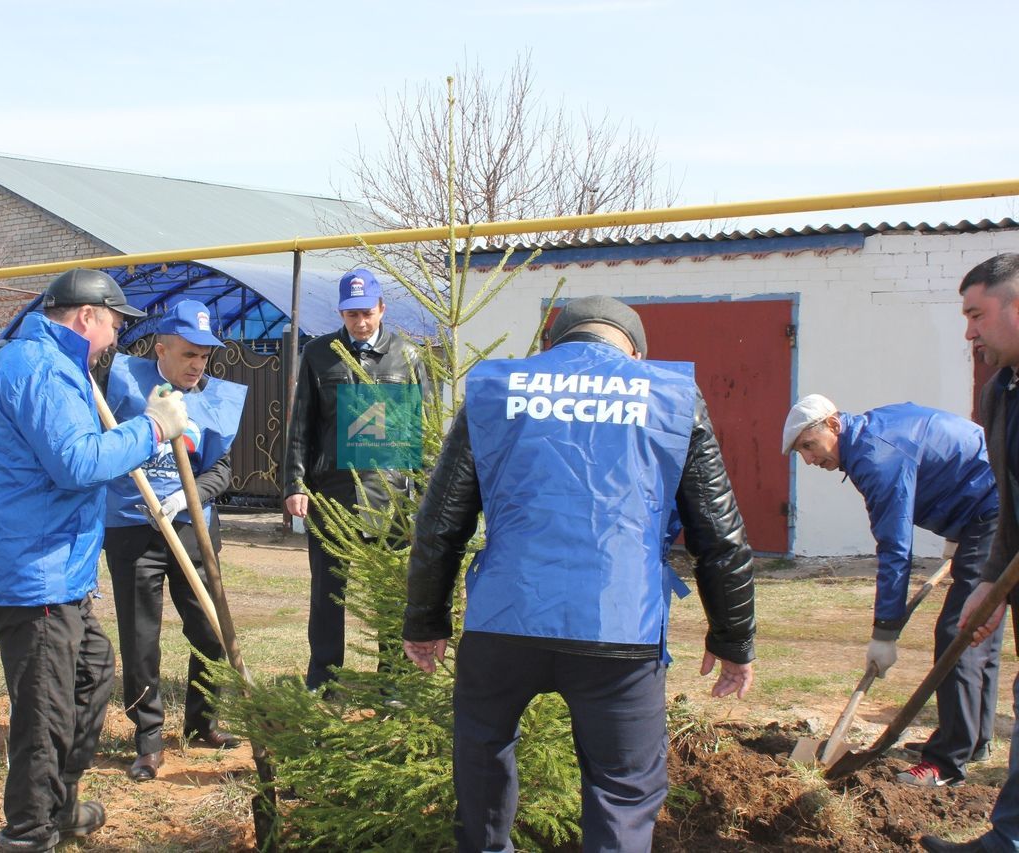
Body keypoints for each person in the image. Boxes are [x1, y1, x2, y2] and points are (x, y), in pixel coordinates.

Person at [403, 295, 755, 852]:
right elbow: (719, 534)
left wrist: (425, 620)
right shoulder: (670, 396)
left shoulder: (497, 390)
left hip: (503, 620)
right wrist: (733, 638)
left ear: (550, 346)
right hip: (620, 626)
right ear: (636, 353)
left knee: (483, 755)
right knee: (623, 791)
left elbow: (441, 522)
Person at [0, 268, 187, 852]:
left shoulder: (29, 359)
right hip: (34, 572)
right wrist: (154, 428)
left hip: (45, 563)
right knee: (46, 711)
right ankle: (28, 834)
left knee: (91, 670)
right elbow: (77, 463)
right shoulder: (41, 369)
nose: (115, 339)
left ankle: (59, 805)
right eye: (113, 325)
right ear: (86, 317)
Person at [783, 394, 1000, 788]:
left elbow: (895, 548)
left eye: (809, 446)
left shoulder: (874, 457)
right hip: (984, 506)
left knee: (960, 630)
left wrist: (884, 632)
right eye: (802, 453)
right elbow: (930, 439)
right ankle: (974, 741)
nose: (810, 461)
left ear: (833, 425)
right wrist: (961, 526)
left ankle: (947, 764)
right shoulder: (872, 431)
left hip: (993, 506)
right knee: (981, 630)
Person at [102, 299, 248, 781]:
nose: (197, 365)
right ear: (161, 349)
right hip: (131, 526)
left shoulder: (213, 400)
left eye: (204, 356)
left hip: (193, 528)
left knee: (208, 628)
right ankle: (147, 740)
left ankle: (202, 725)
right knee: (141, 637)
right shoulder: (122, 384)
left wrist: (188, 499)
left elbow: (220, 469)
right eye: (188, 354)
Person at [283, 268, 430, 692]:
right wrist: (294, 484)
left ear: (382, 308)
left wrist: (424, 496)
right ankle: (324, 679)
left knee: (391, 594)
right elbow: (301, 427)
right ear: (341, 313)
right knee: (328, 593)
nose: (360, 322)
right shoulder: (318, 355)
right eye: (351, 315)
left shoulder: (408, 357)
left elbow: (425, 429)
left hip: (392, 497)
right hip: (333, 494)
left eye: (366, 312)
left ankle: (395, 683)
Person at [922, 253, 1019, 852]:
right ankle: (1007, 839)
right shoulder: (1001, 393)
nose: (969, 332)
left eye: (976, 314)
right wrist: (989, 580)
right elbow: (1008, 501)